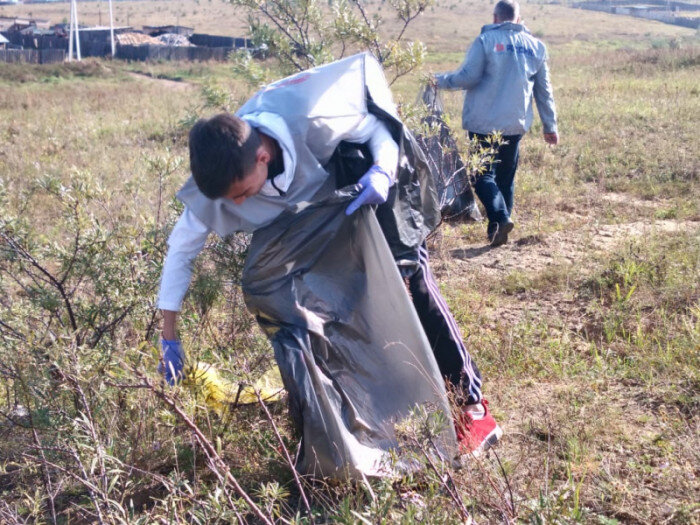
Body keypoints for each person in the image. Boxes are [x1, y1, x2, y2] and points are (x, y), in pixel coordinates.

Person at [158, 54, 501, 457]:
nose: (236, 204)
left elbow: (381, 133)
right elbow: (180, 251)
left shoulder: (317, 118)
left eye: (241, 193)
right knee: (332, 305)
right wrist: (168, 334)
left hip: (365, 173)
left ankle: (474, 409)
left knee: (409, 277)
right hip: (316, 210)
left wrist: (381, 174)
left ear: (263, 157)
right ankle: (370, 413)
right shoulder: (220, 172)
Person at [434, 0, 559, 246]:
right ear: (519, 19)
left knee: (481, 176)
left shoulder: (485, 42)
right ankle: (497, 233)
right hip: (515, 124)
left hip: (484, 123)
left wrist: (439, 80)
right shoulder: (536, 47)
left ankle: (500, 218)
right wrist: (550, 126)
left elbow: (468, 77)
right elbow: (544, 91)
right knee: (504, 178)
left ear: (495, 18)